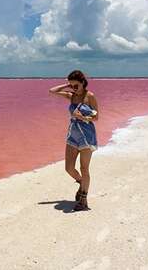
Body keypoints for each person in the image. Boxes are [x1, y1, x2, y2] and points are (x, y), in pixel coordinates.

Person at [48, 70, 98, 211]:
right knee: (69, 168)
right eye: (72, 85)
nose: (74, 88)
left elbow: (96, 117)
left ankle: (83, 201)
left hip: (87, 136)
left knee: (84, 168)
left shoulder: (90, 96)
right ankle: (82, 183)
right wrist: (67, 85)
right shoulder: (71, 96)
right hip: (73, 134)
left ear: (82, 83)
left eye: (76, 85)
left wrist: (83, 117)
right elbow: (52, 91)